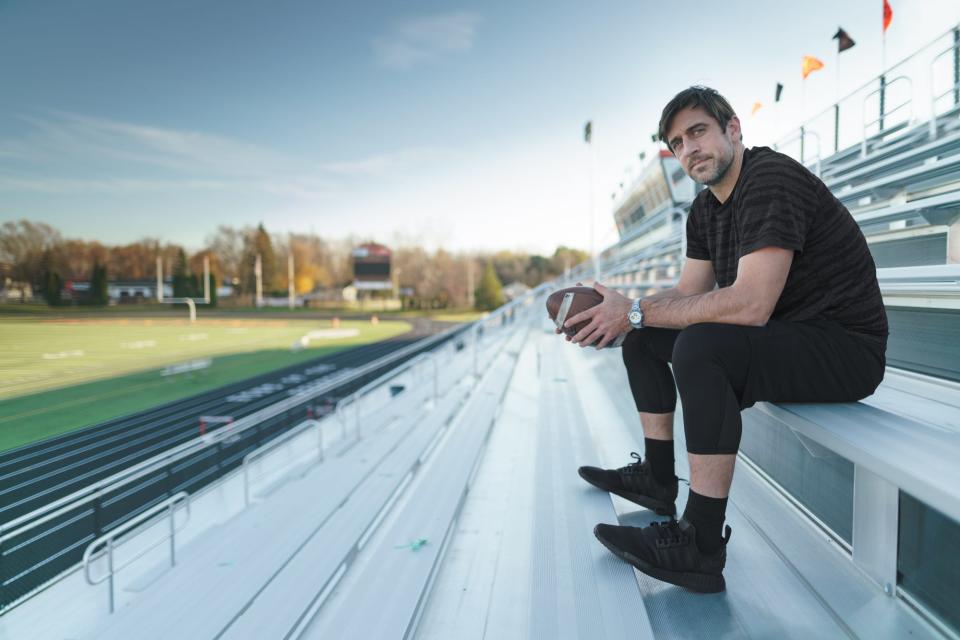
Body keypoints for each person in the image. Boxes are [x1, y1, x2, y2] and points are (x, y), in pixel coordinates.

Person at [561, 86, 888, 593]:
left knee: (698, 344)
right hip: (787, 335)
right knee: (644, 338)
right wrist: (623, 311)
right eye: (677, 142)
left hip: (843, 346)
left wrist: (636, 311)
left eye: (698, 132)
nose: (689, 148)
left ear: (732, 129)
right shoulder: (704, 210)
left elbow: (751, 303)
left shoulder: (770, 179)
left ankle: (702, 544)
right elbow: (689, 293)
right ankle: (657, 477)